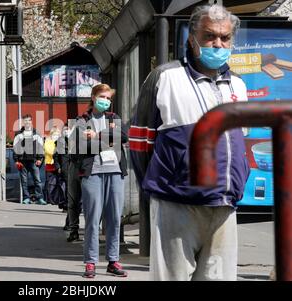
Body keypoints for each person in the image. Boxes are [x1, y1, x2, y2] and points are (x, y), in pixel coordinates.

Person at [129, 4, 250, 281]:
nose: (217, 44)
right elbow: (139, 143)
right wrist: (160, 186)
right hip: (176, 204)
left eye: (224, 38)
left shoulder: (238, 85)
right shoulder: (165, 77)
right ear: (191, 38)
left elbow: (238, 142)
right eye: (210, 36)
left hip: (224, 206)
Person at [77, 84, 129, 278]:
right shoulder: (82, 120)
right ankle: (90, 263)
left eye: (108, 98)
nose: (105, 101)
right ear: (93, 97)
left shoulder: (114, 118)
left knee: (115, 219)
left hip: (115, 172)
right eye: (102, 97)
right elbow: (81, 145)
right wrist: (109, 138)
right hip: (93, 173)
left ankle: (113, 261)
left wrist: (97, 136)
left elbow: (123, 136)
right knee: (93, 220)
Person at [13, 114, 46, 205]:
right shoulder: (18, 134)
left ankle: (40, 198)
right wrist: (16, 160)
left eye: (29, 120)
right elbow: (15, 148)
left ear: (31, 122)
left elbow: (40, 147)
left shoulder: (36, 133)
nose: (27, 122)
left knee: (37, 180)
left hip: (34, 161)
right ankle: (26, 198)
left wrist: (40, 158)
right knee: (24, 181)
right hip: (22, 161)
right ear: (23, 122)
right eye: (25, 120)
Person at [43, 126, 65, 206]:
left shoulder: (60, 141)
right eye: (55, 134)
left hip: (59, 164)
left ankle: (59, 199)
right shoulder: (48, 141)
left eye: (58, 134)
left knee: (60, 184)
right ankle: (50, 200)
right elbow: (50, 151)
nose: (57, 135)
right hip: (50, 165)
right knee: (51, 184)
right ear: (51, 134)